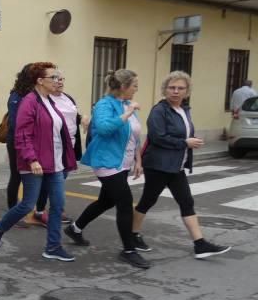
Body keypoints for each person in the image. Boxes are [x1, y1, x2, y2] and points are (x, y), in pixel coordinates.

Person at [132, 71, 231, 259]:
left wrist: (190, 142)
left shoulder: (184, 110)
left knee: (186, 202)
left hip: (176, 166)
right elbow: (157, 137)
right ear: (165, 90)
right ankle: (133, 235)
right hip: (159, 165)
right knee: (148, 200)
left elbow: (181, 135)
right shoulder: (159, 110)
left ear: (187, 91)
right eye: (172, 88)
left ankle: (200, 245)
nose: (175, 91)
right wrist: (185, 143)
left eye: (180, 88)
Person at [0, 62, 77, 261]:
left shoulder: (50, 101)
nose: (57, 81)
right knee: (28, 205)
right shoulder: (29, 101)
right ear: (40, 81)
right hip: (35, 163)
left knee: (57, 204)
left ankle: (53, 247)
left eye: (57, 77)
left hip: (54, 163)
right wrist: (32, 159)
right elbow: (22, 134)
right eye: (52, 78)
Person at [63, 69, 149, 269]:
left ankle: (75, 229)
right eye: (134, 85)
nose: (137, 89)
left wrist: (138, 159)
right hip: (106, 162)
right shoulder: (104, 105)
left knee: (106, 200)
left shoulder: (127, 104)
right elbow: (102, 129)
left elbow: (134, 134)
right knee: (125, 202)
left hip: (122, 162)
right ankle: (129, 250)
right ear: (123, 87)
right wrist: (126, 114)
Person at [31, 71, 83, 226]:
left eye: (61, 79)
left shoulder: (68, 98)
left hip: (69, 145)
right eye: (55, 79)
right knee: (51, 181)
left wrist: (83, 119)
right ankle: (42, 211)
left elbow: (73, 116)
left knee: (61, 178)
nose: (59, 82)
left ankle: (55, 210)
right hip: (52, 147)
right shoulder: (45, 99)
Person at [4, 64, 33, 210]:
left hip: (30, 142)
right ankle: (12, 209)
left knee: (29, 177)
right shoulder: (16, 95)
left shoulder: (34, 95)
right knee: (16, 176)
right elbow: (16, 124)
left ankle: (28, 208)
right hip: (17, 142)